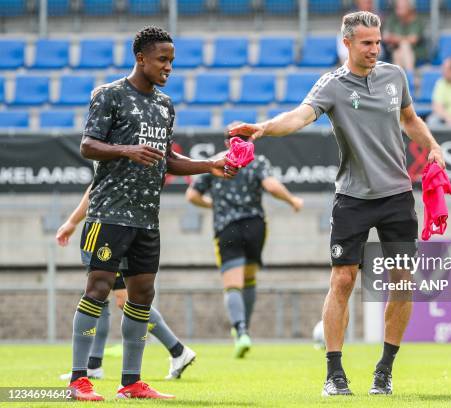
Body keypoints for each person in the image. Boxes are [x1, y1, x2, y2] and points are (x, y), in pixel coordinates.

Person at [230, 11, 444, 396]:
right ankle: (334, 373)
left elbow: (409, 119)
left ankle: (384, 371)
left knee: (402, 282)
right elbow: (299, 116)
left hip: (397, 196)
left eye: (378, 42)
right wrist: (264, 128)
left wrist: (432, 145)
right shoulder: (331, 85)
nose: (375, 49)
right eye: (367, 43)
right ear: (347, 43)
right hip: (353, 198)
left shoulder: (395, 76)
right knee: (342, 280)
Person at [68, 26, 238, 401]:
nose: (168, 67)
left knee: (142, 296)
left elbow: (170, 160)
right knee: (97, 289)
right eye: (162, 59)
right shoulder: (109, 95)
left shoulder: (164, 105)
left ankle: (131, 382)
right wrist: (127, 150)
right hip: (108, 214)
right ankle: (78, 379)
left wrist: (209, 164)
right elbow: (88, 145)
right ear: (141, 58)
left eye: (172, 61)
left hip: (146, 219)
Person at [185, 125, 304, 359]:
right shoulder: (257, 162)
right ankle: (245, 330)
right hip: (255, 225)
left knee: (232, 284)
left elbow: (192, 195)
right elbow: (271, 186)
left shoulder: (215, 162)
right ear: (251, 141)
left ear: (226, 142)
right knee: (249, 279)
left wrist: (214, 205)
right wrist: (292, 200)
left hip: (227, 227)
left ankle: (239, 331)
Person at [57, 186, 197, 382]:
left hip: (116, 228)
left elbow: (97, 186)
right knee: (103, 296)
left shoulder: (118, 161)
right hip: (120, 225)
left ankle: (177, 350)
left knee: (121, 299)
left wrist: (72, 221)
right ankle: (93, 365)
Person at [382, 0, 427, 72]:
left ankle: (406, 75)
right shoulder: (393, 19)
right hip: (396, 51)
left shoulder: (416, 20)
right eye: (397, 7)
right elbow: (385, 37)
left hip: (416, 52)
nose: (398, 9)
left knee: (404, 45)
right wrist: (402, 39)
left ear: (409, 8)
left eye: (401, 7)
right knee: (398, 52)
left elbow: (413, 39)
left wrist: (395, 38)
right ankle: (407, 77)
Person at [337, 0, 377, 64]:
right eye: (366, 2)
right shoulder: (350, 15)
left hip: (371, 46)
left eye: (370, 2)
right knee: (342, 37)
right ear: (358, 2)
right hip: (355, 45)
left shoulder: (377, 16)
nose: (369, 4)